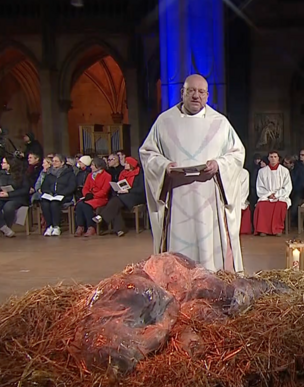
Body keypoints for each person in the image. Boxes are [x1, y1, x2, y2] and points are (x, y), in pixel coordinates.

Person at [140, 74, 245, 272]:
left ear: (207, 95)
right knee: (178, 258)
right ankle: (176, 281)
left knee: (209, 255)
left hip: (209, 199)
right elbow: (148, 153)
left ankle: (212, 281)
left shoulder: (220, 123)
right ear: (183, 93)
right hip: (177, 197)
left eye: (201, 92)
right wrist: (164, 167)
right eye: (191, 91)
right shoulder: (164, 122)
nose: (196, 96)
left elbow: (237, 154)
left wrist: (219, 164)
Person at [93, 156, 145, 236]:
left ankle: (102, 217)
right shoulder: (123, 173)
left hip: (135, 196)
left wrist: (128, 190)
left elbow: (141, 189)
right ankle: (120, 229)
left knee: (115, 201)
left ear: (131, 164)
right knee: (115, 205)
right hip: (123, 196)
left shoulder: (140, 174)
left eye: (127, 163)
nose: (125, 164)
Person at [0, 157, 31, 237]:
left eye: (4, 163)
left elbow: (25, 189)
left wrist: (10, 194)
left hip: (16, 197)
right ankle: (3, 227)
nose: (2, 164)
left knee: (8, 207)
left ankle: (6, 227)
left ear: (10, 164)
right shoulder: (0, 175)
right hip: (1, 197)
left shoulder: (21, 175)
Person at [254, 151, 292, 236]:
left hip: (280, 196)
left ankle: (277, 229)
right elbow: (259, 186)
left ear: (278, 158)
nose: (273, 159)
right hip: (266, 195)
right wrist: (269, 194)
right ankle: (263, 230)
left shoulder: (284, 171)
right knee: (261, 205)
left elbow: (287, 187)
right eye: (271, 157)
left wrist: (276, 195)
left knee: (281, 205)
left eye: (275, 157)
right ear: (268, 158)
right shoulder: (262, 171)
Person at [39, 154, 76, 236]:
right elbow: (44, 186)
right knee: (44, 203)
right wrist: (49, 192)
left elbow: (71, 186)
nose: (54, 163)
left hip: (64, 196)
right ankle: (49, 226)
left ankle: (56, 226)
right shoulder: (49, 174)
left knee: (54, 204)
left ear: (62, 163)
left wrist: (61, 193)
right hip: (51, 195)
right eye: (53, 161)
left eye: (56, 161)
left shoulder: (69, 173)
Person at [74, 157, 111, 237]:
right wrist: (87, 194)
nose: (91, 167)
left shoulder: (107, 176)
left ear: (99, 166)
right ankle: (80, 226)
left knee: (86, 205)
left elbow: (104, 190)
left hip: (100, 198)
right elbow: (85, 187)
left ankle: (91, 227)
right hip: (89, 198)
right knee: (79, 204)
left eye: (93, 165)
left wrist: (94, 195)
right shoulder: (90, 175)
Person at [290, 149, 304, 223]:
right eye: (300, 155)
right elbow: (293, 178)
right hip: (298, 190)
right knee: (294, 208)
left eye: (303, 155)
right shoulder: (296, 165)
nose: (301, 156)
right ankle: (292, 223)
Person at [238, 167, 252, 235]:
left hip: (240, 198)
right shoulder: (225, 171)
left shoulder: (244, 173)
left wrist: (240, 201)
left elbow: (245, 189)